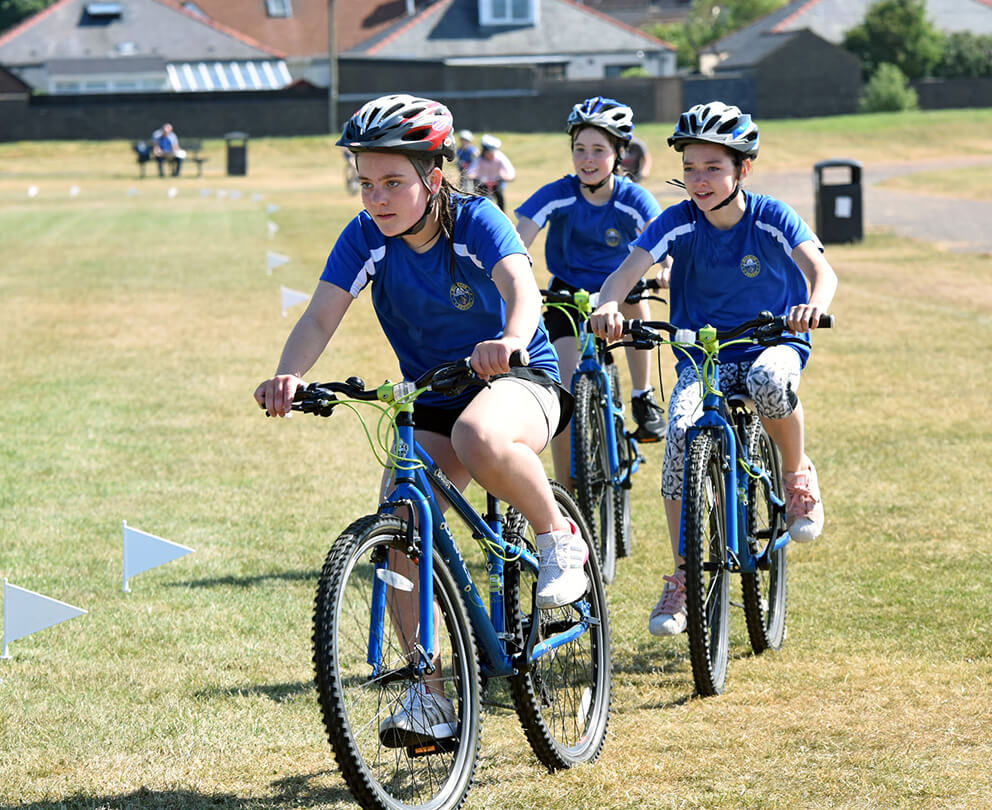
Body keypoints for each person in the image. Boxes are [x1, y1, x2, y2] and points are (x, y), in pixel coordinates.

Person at [254, 94, 588, 743]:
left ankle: (557, 535)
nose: (376, 197)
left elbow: (522, 290)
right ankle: (430, 697)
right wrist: (289, 375)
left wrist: (512, 340)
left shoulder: (477, 220)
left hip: (520, 378)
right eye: (366, 181)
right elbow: (321, 314)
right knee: (402, 529)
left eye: (393, 183)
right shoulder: (364, 239)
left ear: (433, 178)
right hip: (434, 392)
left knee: (479, 434)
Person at [589, 101, 838, 637]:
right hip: (703, 356)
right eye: (691, 168)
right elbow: (624, 273)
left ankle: (797, 476)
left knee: (769, 381)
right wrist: (609, 305)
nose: (699, 180)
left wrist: (812, 303)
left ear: (741, 170)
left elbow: (821, 270)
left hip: (772, 341)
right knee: (680, 433)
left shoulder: (771, 215)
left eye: (713, 168)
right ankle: (683, 574)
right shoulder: (676, 222)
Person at [514, 95, 669, 488]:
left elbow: (661, 238)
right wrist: (512, 272)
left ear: (620, 154)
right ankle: (567, 493)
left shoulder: (632, 198)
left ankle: (642, 393)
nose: (587, 159)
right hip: (567, 293)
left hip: (620, 289)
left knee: (633, 298)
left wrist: (666, 268)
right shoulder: (558, 193)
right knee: (563, 395)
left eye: (599, 150)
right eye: (579, 149)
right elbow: (518, 240)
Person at [468, 134, 515, 211]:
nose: (490, 155)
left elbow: (509, 170)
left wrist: (507, 176)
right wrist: (472, 175)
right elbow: (471, 170)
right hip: (482, 182)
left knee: (500, 197)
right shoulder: (479, 159)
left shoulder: (500, 157)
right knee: (478, 196)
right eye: (488, 152)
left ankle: (502, 213)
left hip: (496, 182)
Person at [455, 129, 478, 193]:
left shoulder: (472, 149)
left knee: (472, 186)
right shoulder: (459, 150)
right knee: (462, 186)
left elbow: (477, 157)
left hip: (471, 172)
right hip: (463, 171)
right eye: (462, 140)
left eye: (465, 140)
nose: (463, 142)